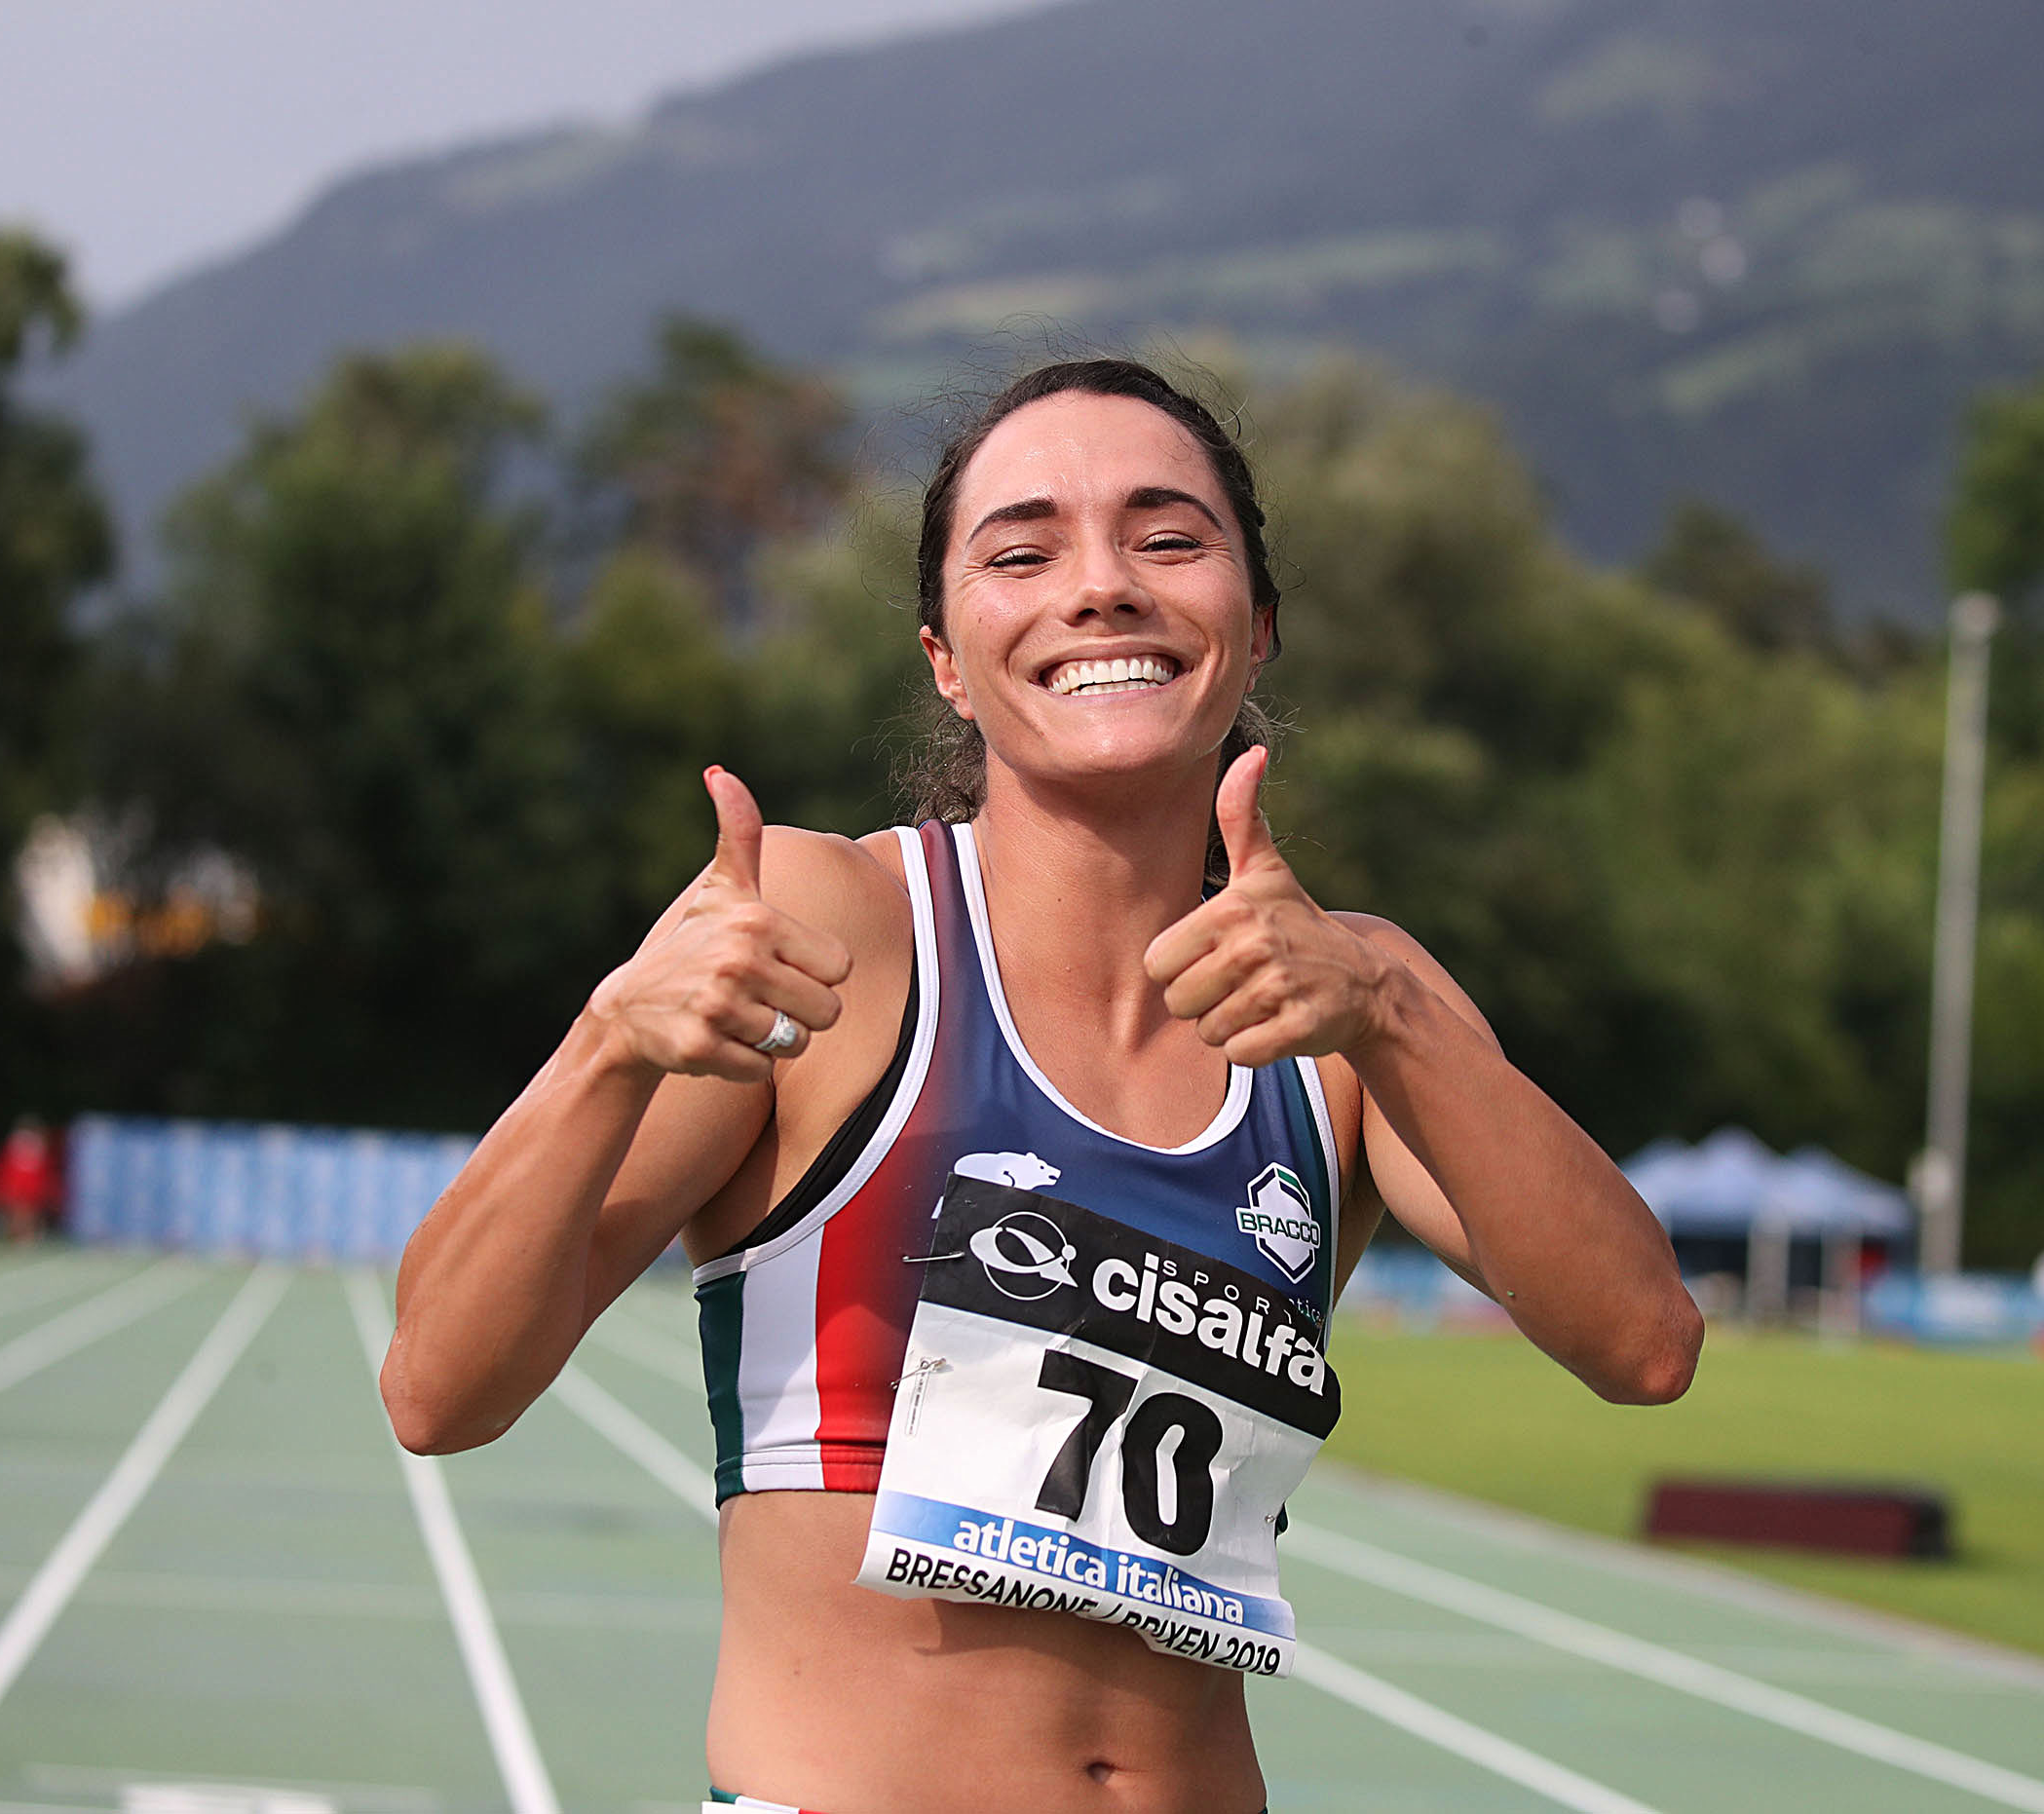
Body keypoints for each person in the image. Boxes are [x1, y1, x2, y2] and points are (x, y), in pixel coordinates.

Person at [381, 359, 1702, 1813]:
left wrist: (1391, 1012)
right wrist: (607, 1043)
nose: (1102, 586)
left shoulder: (1348, 1003)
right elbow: (438, 1388)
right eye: (1023, 554)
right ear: (947, 656)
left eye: (1168, 538)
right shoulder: (831, 930)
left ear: (1258, 624)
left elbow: (1643, 1343)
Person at [0, 1116, 60, 1243]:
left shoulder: (38, 1150)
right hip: (14, 1191)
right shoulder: (13, 1150)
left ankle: (27, 1232)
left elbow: (43, 1179)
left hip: (30, 1192)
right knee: (15, 1208)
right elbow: (2, 1175)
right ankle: (15, 1232)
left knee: (25, 1208)